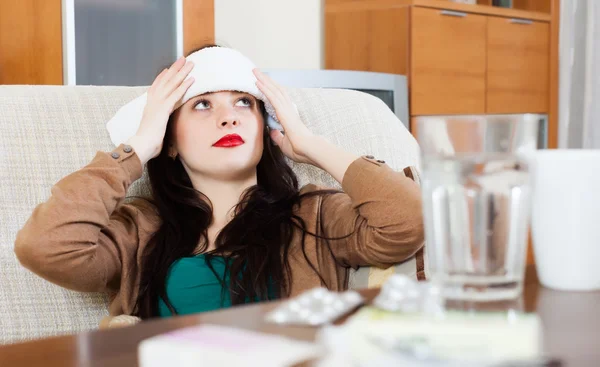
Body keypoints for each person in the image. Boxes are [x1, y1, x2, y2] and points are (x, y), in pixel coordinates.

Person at [14, 46, 424, 326]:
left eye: (243, 103)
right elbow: (46, 247)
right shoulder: (138, 230)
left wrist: (311, 145)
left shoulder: (314, 214)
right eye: (203, 105)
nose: (229, 118)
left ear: (267, 128)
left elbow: (409, 223)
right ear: (170, 141)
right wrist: (138, 148)